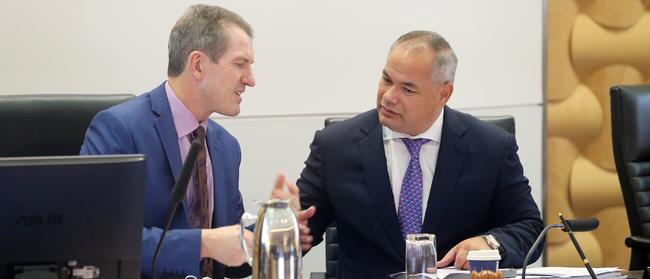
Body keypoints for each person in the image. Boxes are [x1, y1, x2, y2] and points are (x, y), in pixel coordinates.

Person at [80, 4, 314, 279]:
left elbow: (232, 264)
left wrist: (273, 230)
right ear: (198, 65)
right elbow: (95, 240)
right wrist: (204, 243)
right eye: (240, 64)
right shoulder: (120, 128)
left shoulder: (226, 146)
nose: (250, 80)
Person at [296, 30, 543, 278]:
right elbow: (301, 228)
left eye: (408, 89)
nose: (389, 97)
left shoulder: (491, 148)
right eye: (386, 80)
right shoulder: (335, 146)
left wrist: (489, 243)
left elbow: (529, 227)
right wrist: (278, 226)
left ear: (443, 93)